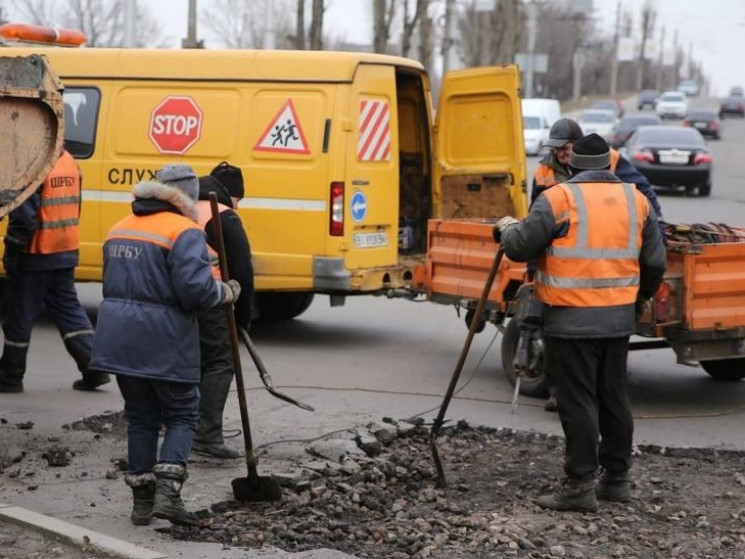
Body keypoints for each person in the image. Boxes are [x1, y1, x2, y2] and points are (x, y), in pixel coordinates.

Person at [495, 134, 666, 512]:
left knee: (577, 402)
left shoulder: (559, 198)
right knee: (613, 397)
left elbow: (520, 246)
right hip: (617, 322)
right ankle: (617, 480)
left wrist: (506, 228)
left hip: (570, 322)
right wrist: (637, 300)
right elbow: (655, 262)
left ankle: (578, 486)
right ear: (609, 165)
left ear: (572, 166)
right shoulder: (635, 201)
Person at [89, 164, 241, 527]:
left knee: (141, 417)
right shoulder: (184, 231)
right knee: (182, 413)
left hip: (120, 340)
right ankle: (168, 495)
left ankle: (142, 503)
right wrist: (226, 291)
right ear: (187, 196)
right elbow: (196, 292)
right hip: (164, 340)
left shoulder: (118, 228)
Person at [531, 118, 664, 412]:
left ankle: (587, 429)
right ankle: (557, 392)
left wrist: (654, 225)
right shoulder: (543, 171)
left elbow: (644, 193)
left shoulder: (612, 161)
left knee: (595, 378)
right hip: (560, 274)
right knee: (551, 336)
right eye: (557, 149)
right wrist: (533, 268)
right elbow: (534, 220)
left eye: (566, 148)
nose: (562, 154)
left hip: (601, 272)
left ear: (578, 146)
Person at [0, 147, 109, 393]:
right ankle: (93, 366)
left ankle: (10, 376)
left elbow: (25, 218)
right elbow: (75, 206)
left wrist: (13, 253)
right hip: (65, 249)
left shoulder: (32, 166)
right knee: (69, 310)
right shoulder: (69, 161)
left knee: (19, 314)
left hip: (36, 253)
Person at [192, 162, 255, 459]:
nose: (239, 204)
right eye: (240, 198)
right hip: (212, 299)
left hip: (179, 297)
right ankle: (206, 436)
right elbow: (242, 271)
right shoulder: (225, 216)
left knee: (190, 361)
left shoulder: (185, 206)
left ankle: (182, 425)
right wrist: (243, 318)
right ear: (232, 193)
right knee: (220, 362)